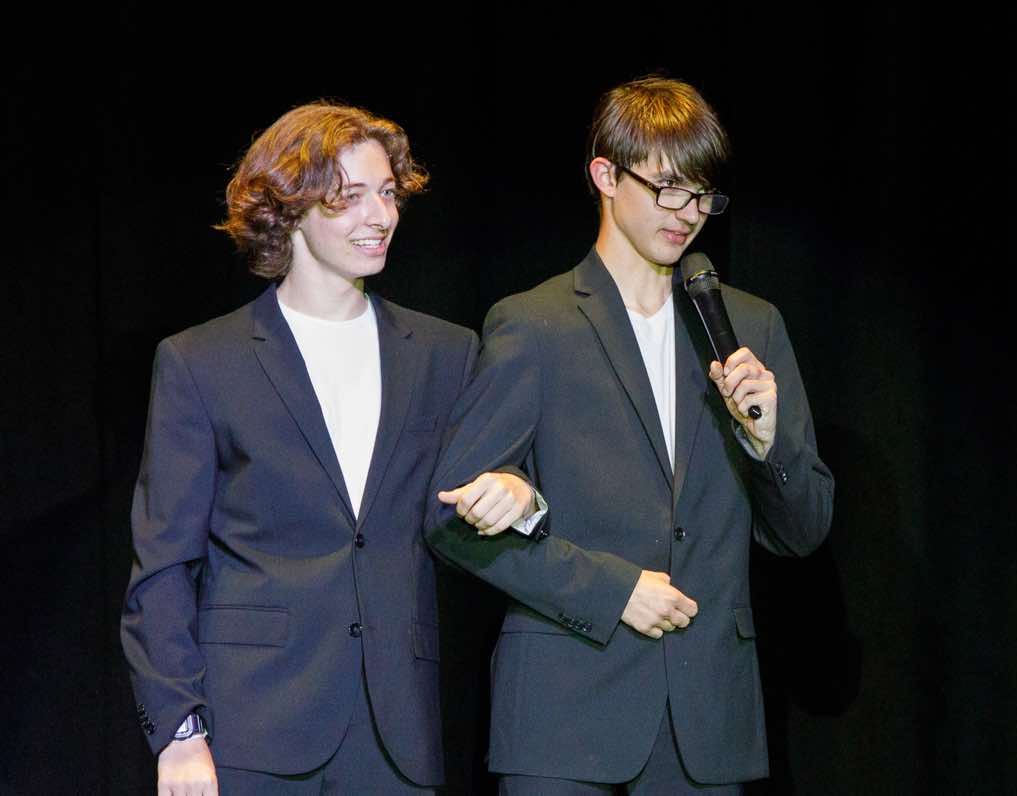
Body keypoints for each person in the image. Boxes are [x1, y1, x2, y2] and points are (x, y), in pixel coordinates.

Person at [425, 76, 834, 793]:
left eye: (703, 194)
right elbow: (451, 523)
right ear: (606, 176)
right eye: (668, 188)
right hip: (563, 710)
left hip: (705, 714)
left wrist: (768, 445)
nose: (688, 213)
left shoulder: (749, 326)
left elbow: (802, 532)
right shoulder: (535, 323)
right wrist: (612, 591)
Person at [121, 103, 532, 795]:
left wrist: (519, 493)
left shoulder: (445, 353)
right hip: (250, 723)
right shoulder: (202, 361)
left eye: (389, 193)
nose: (381, 215)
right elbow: (163, 566)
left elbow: (470, 507)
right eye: (350, 196)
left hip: (396, 728)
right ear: (289, 208)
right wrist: (179, 731)